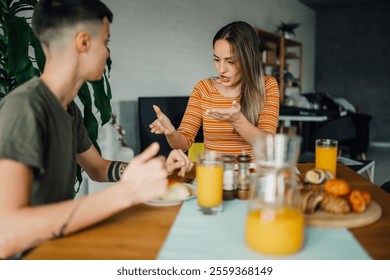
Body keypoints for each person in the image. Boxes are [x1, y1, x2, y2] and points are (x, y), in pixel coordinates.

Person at [0, 0, 193, 259]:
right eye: (106, 42)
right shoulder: (25, 107)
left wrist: (154, 170)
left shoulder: (68, 110)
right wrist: (126, 193)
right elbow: (7, 234)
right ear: (83, 42)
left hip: (60, 248)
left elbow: (98, 168)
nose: (107, 53)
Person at [150, 21, 280, 159]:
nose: (221, 69)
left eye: (230, 61)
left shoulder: (266, 86)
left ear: (248, 59)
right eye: (217, 60)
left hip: (250, 175)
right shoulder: (203, 89)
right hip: (213, 175)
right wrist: (172, 133)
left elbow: (267, 146)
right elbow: (182, 143)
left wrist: (238, 121)